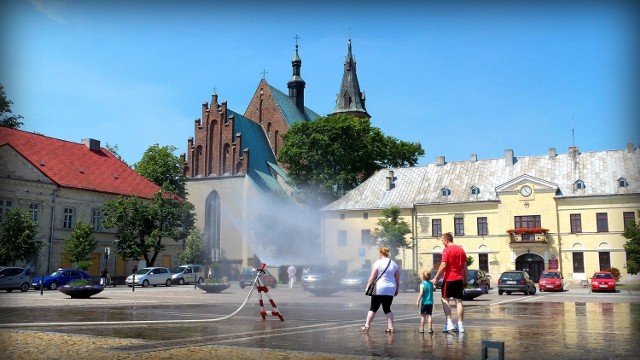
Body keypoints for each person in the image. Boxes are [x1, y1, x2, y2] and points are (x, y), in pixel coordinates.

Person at [432, 232, 468, 333]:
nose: (442, 242)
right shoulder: (461, 250)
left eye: (442, 240)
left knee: (445, 300)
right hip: (459, 279)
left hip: (448, 279)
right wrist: (465, 279)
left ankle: (449, 323)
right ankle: (460, 326)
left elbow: (443, 265)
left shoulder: (446, 250)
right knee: (459, 301)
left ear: (446, 240)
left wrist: (435, 278)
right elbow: (465, 267)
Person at [361, 246, 400, 333]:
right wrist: (397, 289)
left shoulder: (378, 263)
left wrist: (367, 287)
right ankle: (391, 328)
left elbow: (372, 277)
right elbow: (397, 279)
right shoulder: (394, 264)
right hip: (390, 288)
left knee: (373, 308)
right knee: (387, 308)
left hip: (379, 288)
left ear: (381, 253)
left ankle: (367, 326)